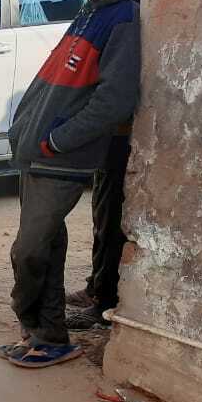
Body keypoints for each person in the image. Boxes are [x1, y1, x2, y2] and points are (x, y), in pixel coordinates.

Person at [3, 0, 141, 367]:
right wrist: (26, 130)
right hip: (38, 152)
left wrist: (57, 141)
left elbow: (115, 100)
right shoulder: (93, 10)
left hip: (59, 157)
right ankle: (47, 335)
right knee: (47, 248)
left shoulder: (123, 17)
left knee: (28, 251)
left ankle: (39, 330)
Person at [64, 133, 132, 330]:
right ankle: (96, 289)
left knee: (110, 225)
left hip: (120, 144)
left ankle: (105, 302)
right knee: (102, 220)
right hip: (110, 144)